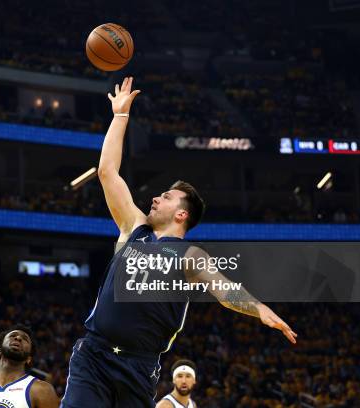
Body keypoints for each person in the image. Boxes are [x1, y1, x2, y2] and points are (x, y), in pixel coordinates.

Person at [60, 77, 297, 408]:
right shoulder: (134, 228)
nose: (156, 198)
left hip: (139, 365)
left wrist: (258, 309)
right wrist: (120, 116)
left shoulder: (190, 254)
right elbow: (107, 172)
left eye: (166, 196)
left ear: (182, 214)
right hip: (94, 355)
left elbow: (224, 290)